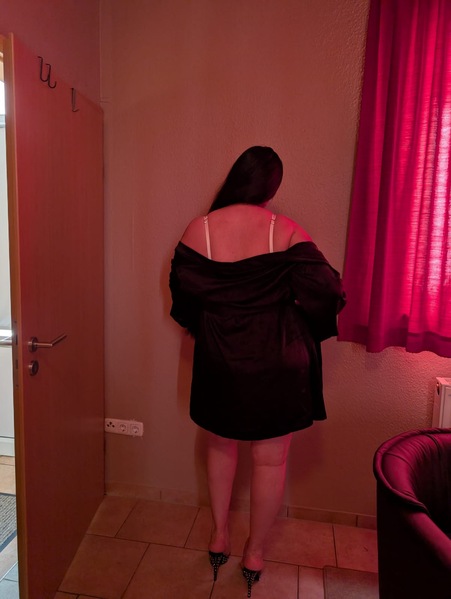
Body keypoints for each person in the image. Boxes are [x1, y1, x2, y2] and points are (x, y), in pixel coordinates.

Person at [169, 146, 345, 597]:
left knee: (220, 448)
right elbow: (328, 289)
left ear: (236, 177)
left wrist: (210, 322)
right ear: (271, 187)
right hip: (276, 362)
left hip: (221, 359)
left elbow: (183, 295)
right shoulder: (283, 229)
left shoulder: (199, 229)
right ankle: (255, 553)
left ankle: (219, 537)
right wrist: (297, 311)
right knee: (270, 460)